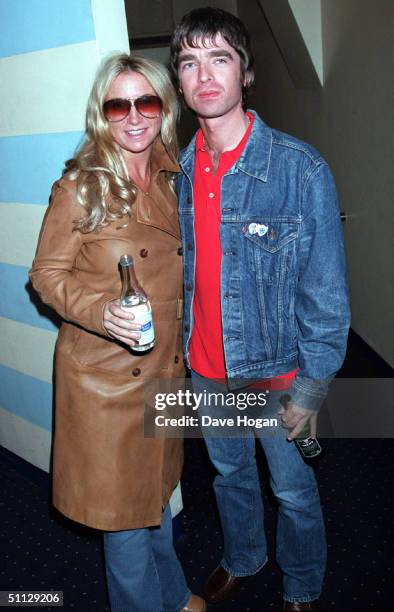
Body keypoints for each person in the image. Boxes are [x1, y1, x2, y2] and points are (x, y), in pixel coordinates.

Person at [170, 7, 350, 611]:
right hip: (206, 368)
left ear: (245, 71)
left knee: (295, 491)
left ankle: (302, 586)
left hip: (276, 372)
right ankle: (243, 556)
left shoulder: (300, 170)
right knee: (229, 476)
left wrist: (312, 390)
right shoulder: (178, 172)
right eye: (190, 62)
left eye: (219, 57)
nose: (205, 74)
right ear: (179, 81)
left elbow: (325, 297)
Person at [29, 54, 206, 612]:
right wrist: (104, 312)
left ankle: (173, 595)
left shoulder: (175, 173)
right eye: (118, 104)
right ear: (102, 114)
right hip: (106, 382)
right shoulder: (80, 187)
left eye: (147, 101)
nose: (134, 116)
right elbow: (46, 275)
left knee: (153, 499)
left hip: (166, 371)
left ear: (164, 108)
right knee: (124, 525)